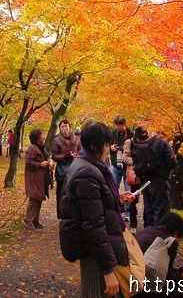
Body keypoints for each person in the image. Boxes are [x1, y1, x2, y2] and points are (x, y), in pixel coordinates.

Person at [59, 122, 137, 297]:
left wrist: (118, 198)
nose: (108, 149)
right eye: (106, 145)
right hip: (94, 253)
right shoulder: (87, 172)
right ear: (95, 145)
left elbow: (96, 204)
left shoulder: (87, 164)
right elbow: (94, 224)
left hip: (97, 248)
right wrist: (108, 270)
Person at [129, 127, 177, 228]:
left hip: (146, 181)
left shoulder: (148, 143)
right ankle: (158, 233)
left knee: (149, 208)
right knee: (160, 209)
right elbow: (172, 163)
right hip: (160, 181)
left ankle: (148, 231)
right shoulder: (163, 143)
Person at [134, 212, 183, 297]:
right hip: (140, 284)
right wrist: (181, 278)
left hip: (129, 274)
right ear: (176, 233)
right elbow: (164, 275)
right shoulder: (169, 242)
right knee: (179, 291)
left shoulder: (148, 230)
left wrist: (177, 271)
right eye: (181, 239)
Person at [50, 119, 82, 219]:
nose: (65, 129)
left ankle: (74, 214)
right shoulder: (56, 140)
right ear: (60, 128)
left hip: (75, 169)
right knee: (61, 193)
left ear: (70, 127)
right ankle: (61, 215)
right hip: (62, 170)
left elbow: (81, 151)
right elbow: (54, 155)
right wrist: (65, 156)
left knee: (75, 192)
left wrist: (77, 155)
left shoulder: (76, 139)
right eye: (62, 127)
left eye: (66, 126)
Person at [110, 116, 137, 229]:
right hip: (116, 164)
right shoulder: (113, 133)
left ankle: (127, 213)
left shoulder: (131, 134)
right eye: (117, 125)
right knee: (113, 187)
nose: (119, 127)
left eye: (121, 125)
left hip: (127, 167)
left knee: (128, 190)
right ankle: (116, 210)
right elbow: (108, 143)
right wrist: (112, 147)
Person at [23, 128, 53, 230]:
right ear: (37, 138)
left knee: (39, 198)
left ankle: (35, 220)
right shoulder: (32, 149)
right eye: (42, 135)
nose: (43, 137)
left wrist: (48, 165)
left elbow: (44, 160)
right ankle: (27, 219)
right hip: (34, 178)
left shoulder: (41, 148)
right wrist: (40, 164)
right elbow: (28, 163)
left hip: (41, 178)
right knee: (34, 199)